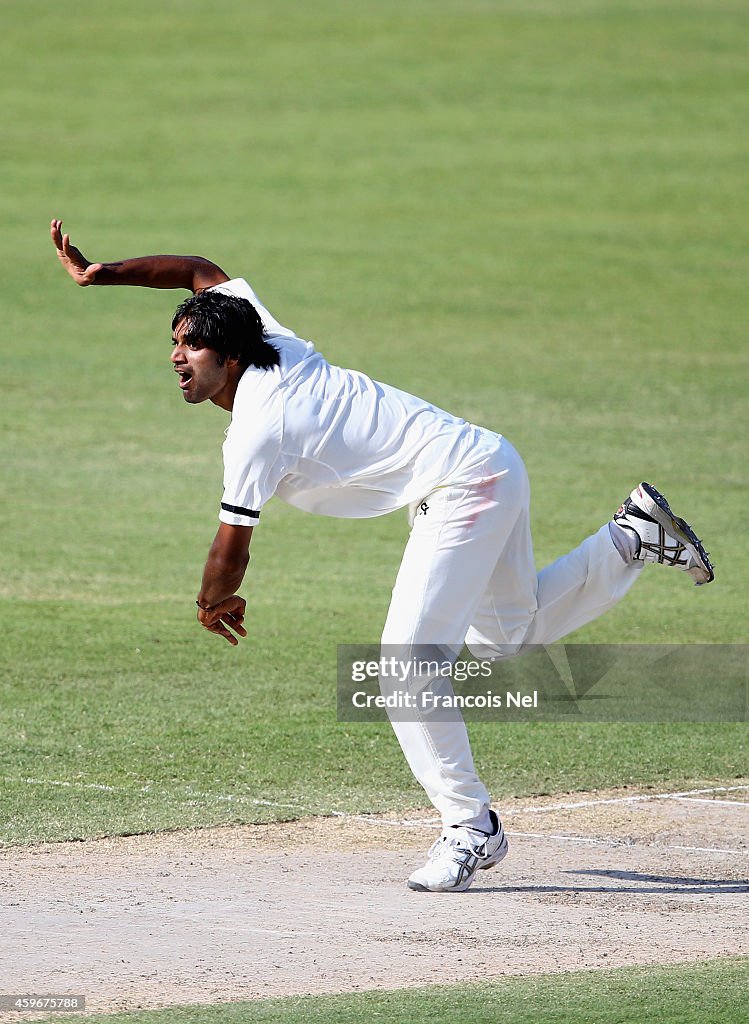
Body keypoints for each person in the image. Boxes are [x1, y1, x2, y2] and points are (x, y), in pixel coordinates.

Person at [50, 219, 714, 893]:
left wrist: (210, 601)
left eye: (191, 347)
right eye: (175, 343)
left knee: (405, 666)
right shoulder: (266, 335)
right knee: (504, 632)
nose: (176, 357)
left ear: (230, 358)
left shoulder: (256, 428)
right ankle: (632, 535)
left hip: (463, 484)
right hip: (487, 460)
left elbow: (231, 545)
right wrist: (102, 273)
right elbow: (195, 268)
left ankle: (469, 826)